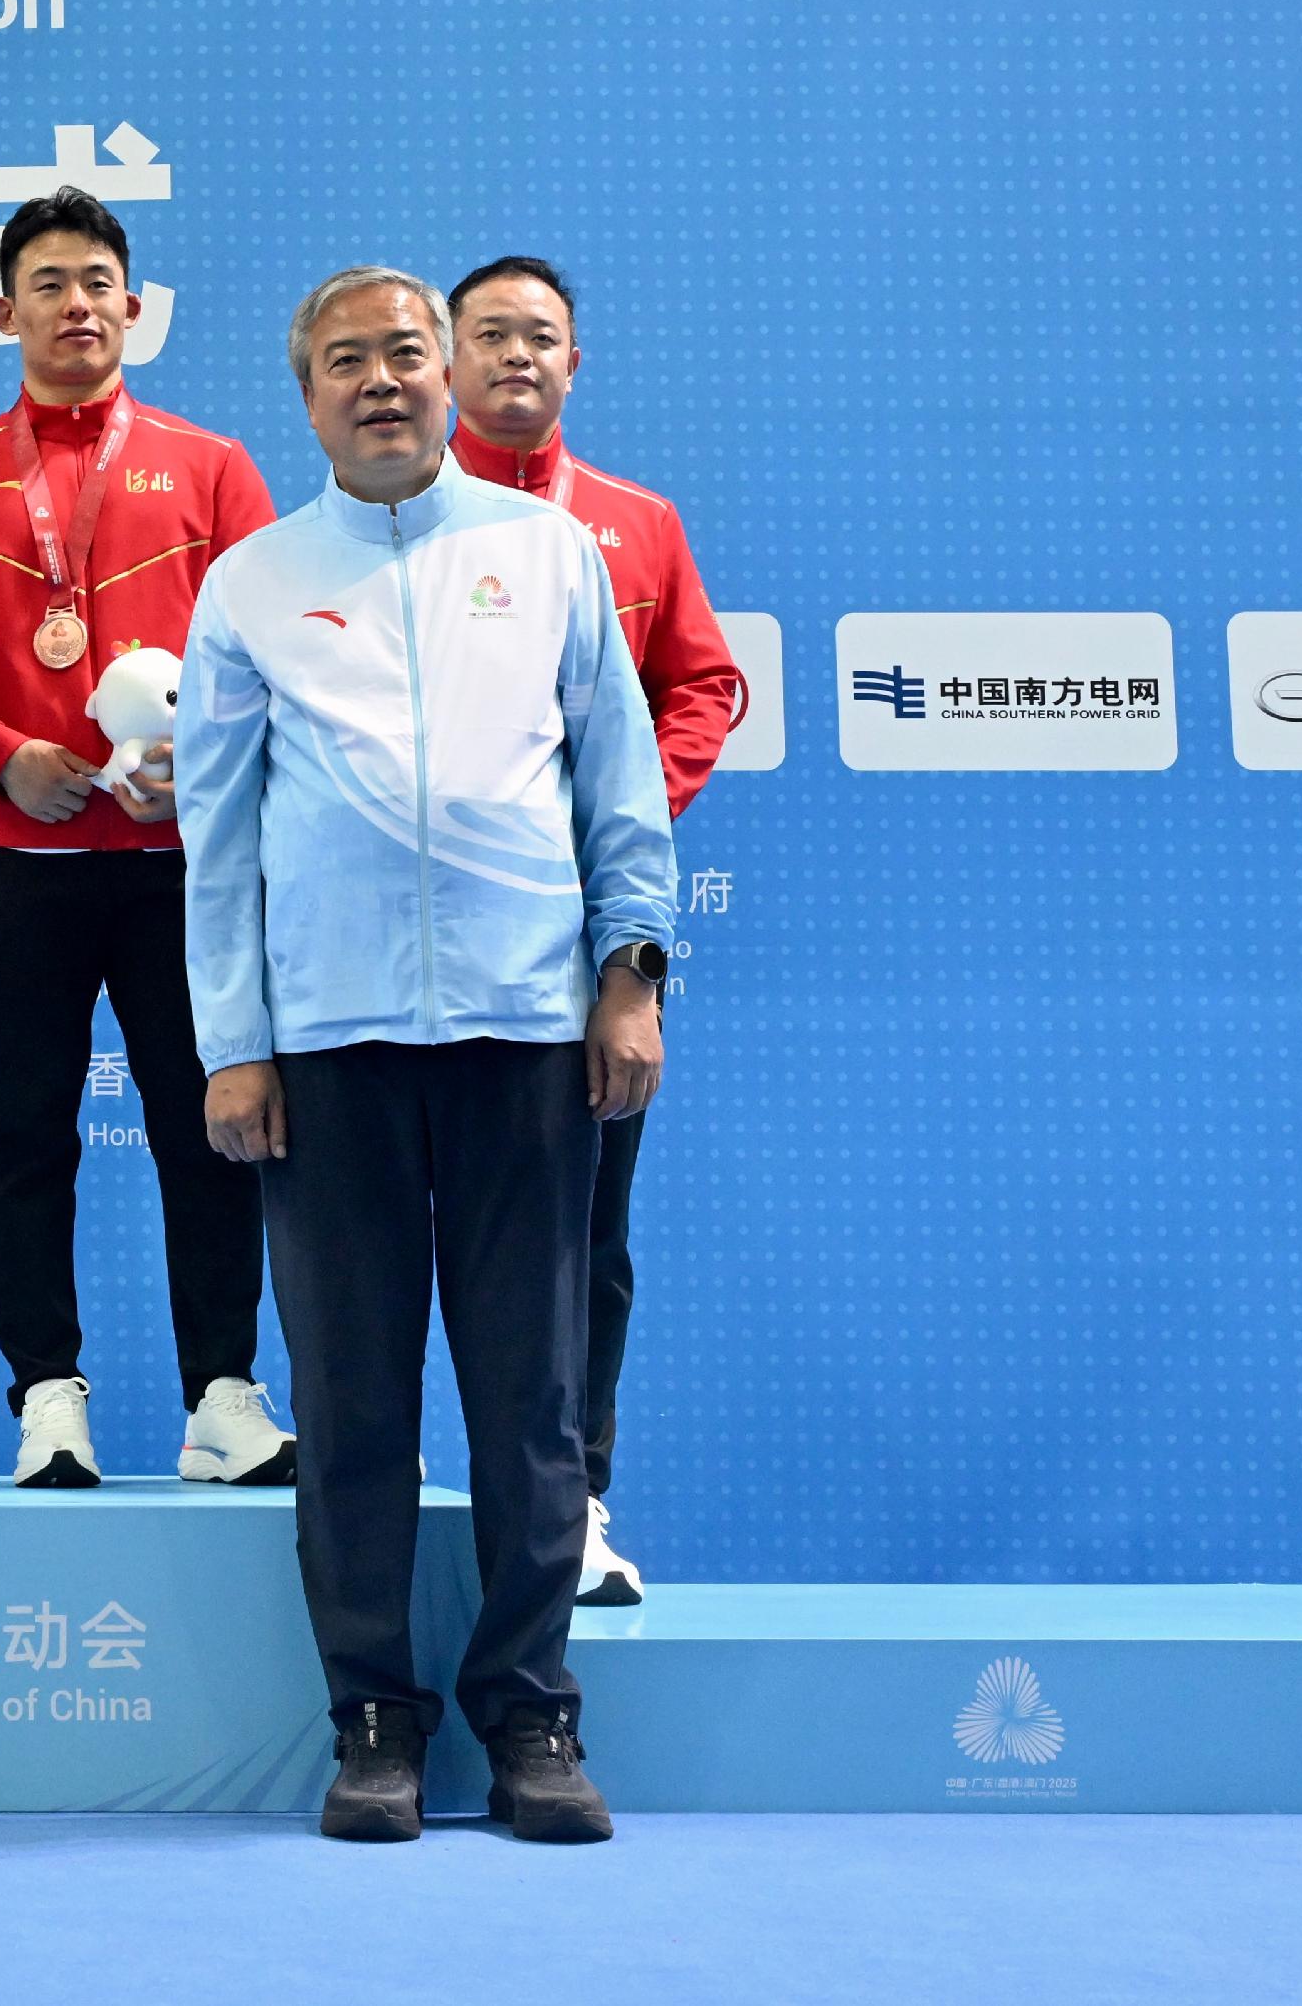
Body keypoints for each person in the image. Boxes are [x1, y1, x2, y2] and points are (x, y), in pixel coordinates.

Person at [178, 265, 673, 1847]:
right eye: (346, 361)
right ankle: (373, 1714)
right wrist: (236, 1043)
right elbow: (219, 838)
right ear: (305, 392)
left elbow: (619, 782)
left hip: (529, 1034)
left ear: (451, 371)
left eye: (405, 352)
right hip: (328, 1051)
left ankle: (531, 1716)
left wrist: (630, 975)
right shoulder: (253, 580)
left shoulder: (545, 555)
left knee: (528, 1400)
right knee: (353, 1396)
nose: (381, 380)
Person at [0, 187, 287, 1491]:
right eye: (48, 283)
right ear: (1, 309)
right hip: (16, 861)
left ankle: (222, 1392)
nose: (76, 305)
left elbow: (265, 653)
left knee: (212, 1124)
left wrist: (201, 764)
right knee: (25, 1131)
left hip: (188, 865)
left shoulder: (213, 463)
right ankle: (47, 1396)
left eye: (97, 280)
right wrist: (4, 757)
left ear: (134, 303)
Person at [444, 254, 740, 1609]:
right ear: (440, 360)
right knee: (402, 1246)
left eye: (540, 338)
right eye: (489, 335)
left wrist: (621, 820)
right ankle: (415, 1512)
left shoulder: (636, 520)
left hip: (588, 938)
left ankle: (575, 1505)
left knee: (582, 1239)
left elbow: (704, 683)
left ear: (576, 363)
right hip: (420, 943)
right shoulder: (390, 520)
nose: (516, 356)